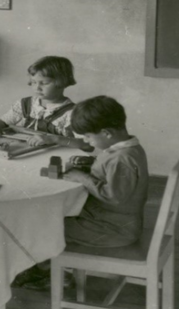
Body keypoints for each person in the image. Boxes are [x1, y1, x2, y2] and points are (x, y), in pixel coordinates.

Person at [14, 96, 149, 290]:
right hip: (108, 220)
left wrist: (82, 177)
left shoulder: (122, 159)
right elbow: (108, 176)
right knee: (47, 217)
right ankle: (46, 266)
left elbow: (113, 197)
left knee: (43, 226)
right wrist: (87, 167)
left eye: (87, 136)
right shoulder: (122, 149)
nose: (85, 141)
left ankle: (54, 274)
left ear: (106, 133)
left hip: (112, 230)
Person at [0, 56, 90, 150]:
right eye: (34, 82)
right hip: (23, 152)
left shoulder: (74, 113)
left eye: (44, 83)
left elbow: (87, 144)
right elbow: (2, 122)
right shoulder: (24, 104)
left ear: (62, 82)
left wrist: (55, 139)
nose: (37, 88)